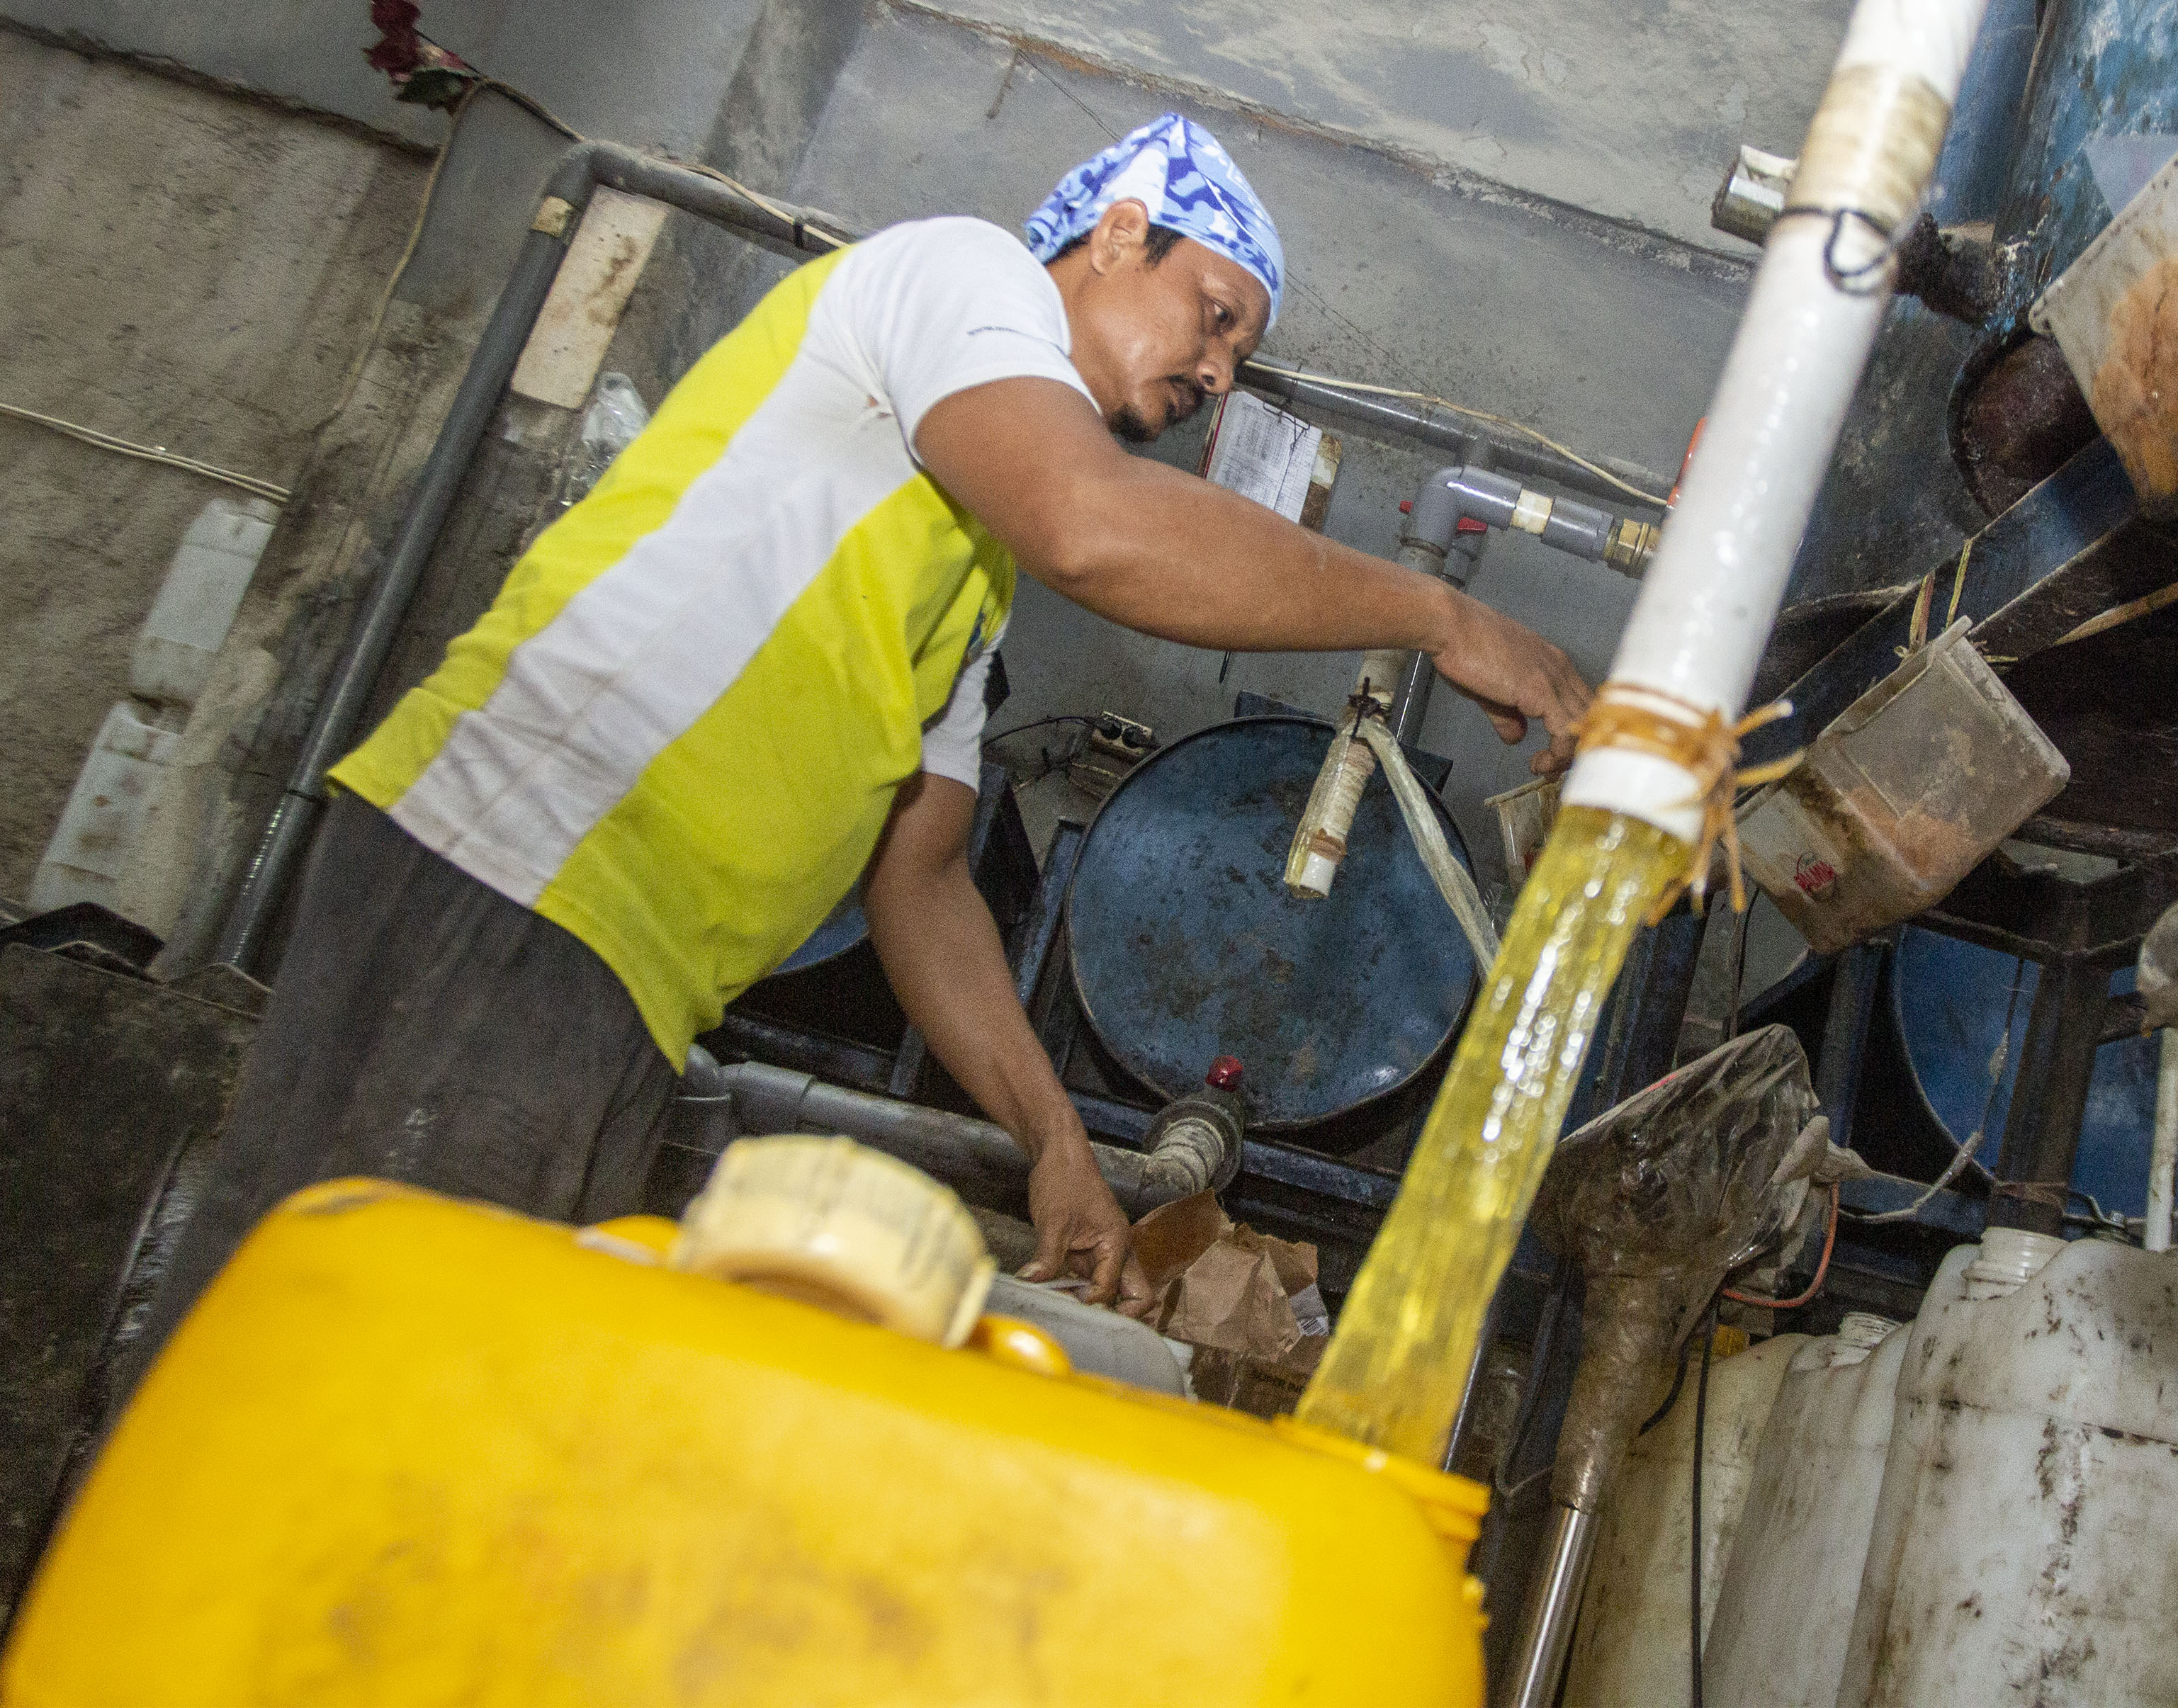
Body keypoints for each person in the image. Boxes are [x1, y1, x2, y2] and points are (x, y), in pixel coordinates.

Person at [142, 114, 1590, 1349]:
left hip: (627, 978)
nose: (1216, 371)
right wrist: (1436, 613)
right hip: (513, 873)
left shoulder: (969, 576)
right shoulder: (958, 275)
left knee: (451, 1386)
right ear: (1117, 228)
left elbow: (924, 881)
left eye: (1236, 354)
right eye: (1213, 315)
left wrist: (1055, 1137)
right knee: (330, 1357)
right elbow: (1096, 523)